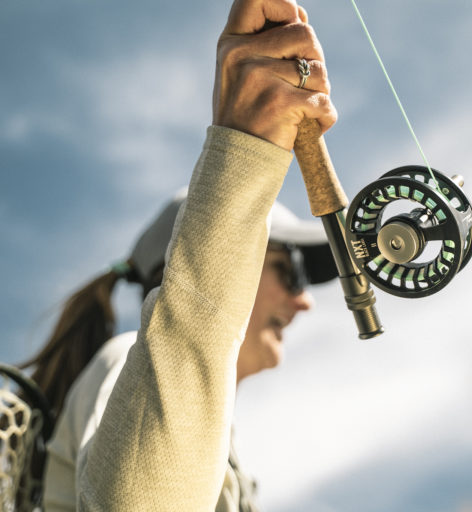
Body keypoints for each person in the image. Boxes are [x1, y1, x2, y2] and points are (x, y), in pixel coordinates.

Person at [24, 0, 340, 509]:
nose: (304, 303)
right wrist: (244, 152)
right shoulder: (123, 362)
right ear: (196, 253)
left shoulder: (218, 443)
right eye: (291, 271)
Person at [28, 190, 337, 511]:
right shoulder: (133, 367)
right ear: (212, 269)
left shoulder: (216, 431)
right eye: (291, 272)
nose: (304, 302)